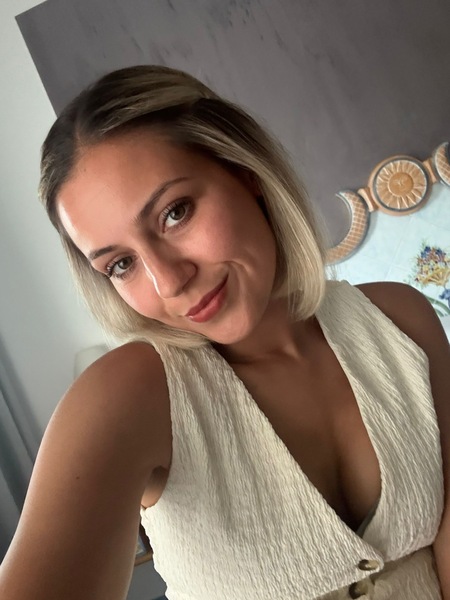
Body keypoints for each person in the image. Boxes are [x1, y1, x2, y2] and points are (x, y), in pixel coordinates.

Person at [0, 65, 449, 600]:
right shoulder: (126, 397)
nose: (169, 281)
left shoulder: (402, 320)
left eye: (175, 213)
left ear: (245, 171)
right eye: (121, 264)